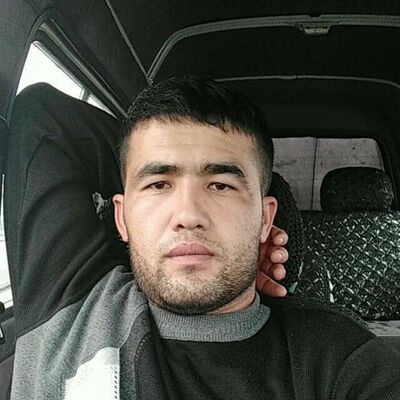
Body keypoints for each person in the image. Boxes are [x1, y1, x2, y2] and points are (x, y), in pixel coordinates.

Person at [9, 77, 400, 399]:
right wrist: (141, 143)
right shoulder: (71, 297)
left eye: (220, 185)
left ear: (265, 220)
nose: (188, 216)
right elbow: (43, 114)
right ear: (122, 217)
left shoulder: (339, 356)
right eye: (158, 184)